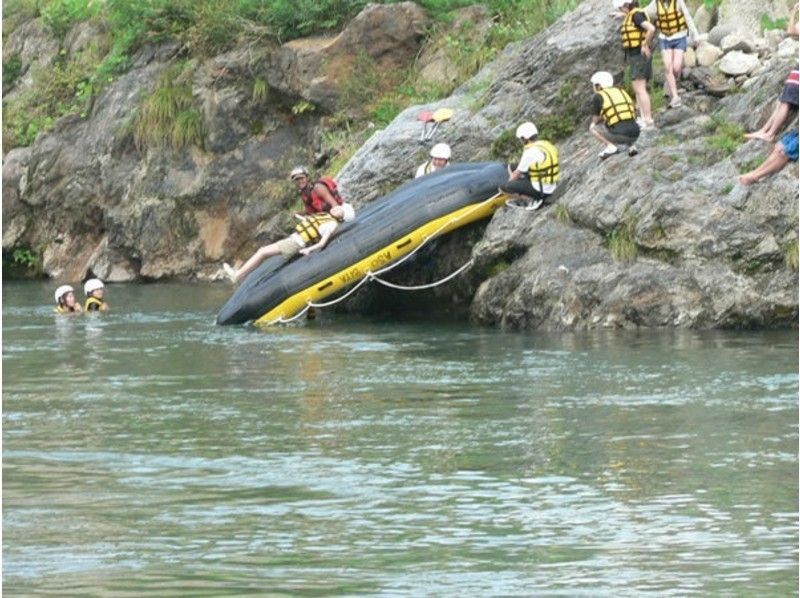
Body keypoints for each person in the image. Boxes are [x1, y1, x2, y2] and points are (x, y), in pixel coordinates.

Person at [223, 203, 356, 283]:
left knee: (262, 252)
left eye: (340, 210)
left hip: (296, 244)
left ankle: (237, 276)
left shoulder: (332, 224)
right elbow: (312, 225)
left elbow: (322, 242)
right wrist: (299, 218)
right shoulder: (326, 218)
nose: (336, 207)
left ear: (341, 217)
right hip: (294, 239)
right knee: (263, 252)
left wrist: (309, 250)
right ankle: (240, 275)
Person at [644, 0, 699, 108]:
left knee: (676, 68)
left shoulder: (678, 2)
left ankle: (677, 73)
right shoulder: (655, 3)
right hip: (664, 38)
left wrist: (695, 35)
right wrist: (625, 13)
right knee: (668, 66)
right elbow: (642, 13)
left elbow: (688, 17)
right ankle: (675, 96)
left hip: (679, 36)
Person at [613, 0, 656, 128]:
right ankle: (643, 118)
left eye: (621, 8)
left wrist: (644, 44)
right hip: (634, 55)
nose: (621, 10)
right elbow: (633, 21)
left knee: (640, 89)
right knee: (637, 88)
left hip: (639, 54)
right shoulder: (632, 15)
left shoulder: (637, 15)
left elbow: (651, 28)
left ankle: (648, 119)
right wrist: (622, 15)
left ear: (627, 5)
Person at [500, 122, 560, 211]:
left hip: (542, 191)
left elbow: (515, 174)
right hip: (552, 185)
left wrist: (507, 185)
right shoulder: (546, 144)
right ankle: (530, 192)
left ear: (525, 138)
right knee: (513, 166)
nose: (520, 141)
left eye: (521, 139)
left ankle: (532, 200)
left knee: (504, 187)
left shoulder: (529, 152)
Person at [589, 71, 641, 158]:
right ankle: (631, 146)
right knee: (623, 121)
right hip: (636, 133)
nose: (593, 87)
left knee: (593, 127)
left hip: (621, 136)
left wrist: (604, 117)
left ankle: (611, 147)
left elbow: (595, 120)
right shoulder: (621, 91)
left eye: (594, 85)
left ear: (599, 85)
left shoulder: (598, 96)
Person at [745, 68, 799, 142]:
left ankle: (770, 134)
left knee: (785, 104)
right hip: (795, 77)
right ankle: (764, 130)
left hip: (796, 78)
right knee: (781, 103)